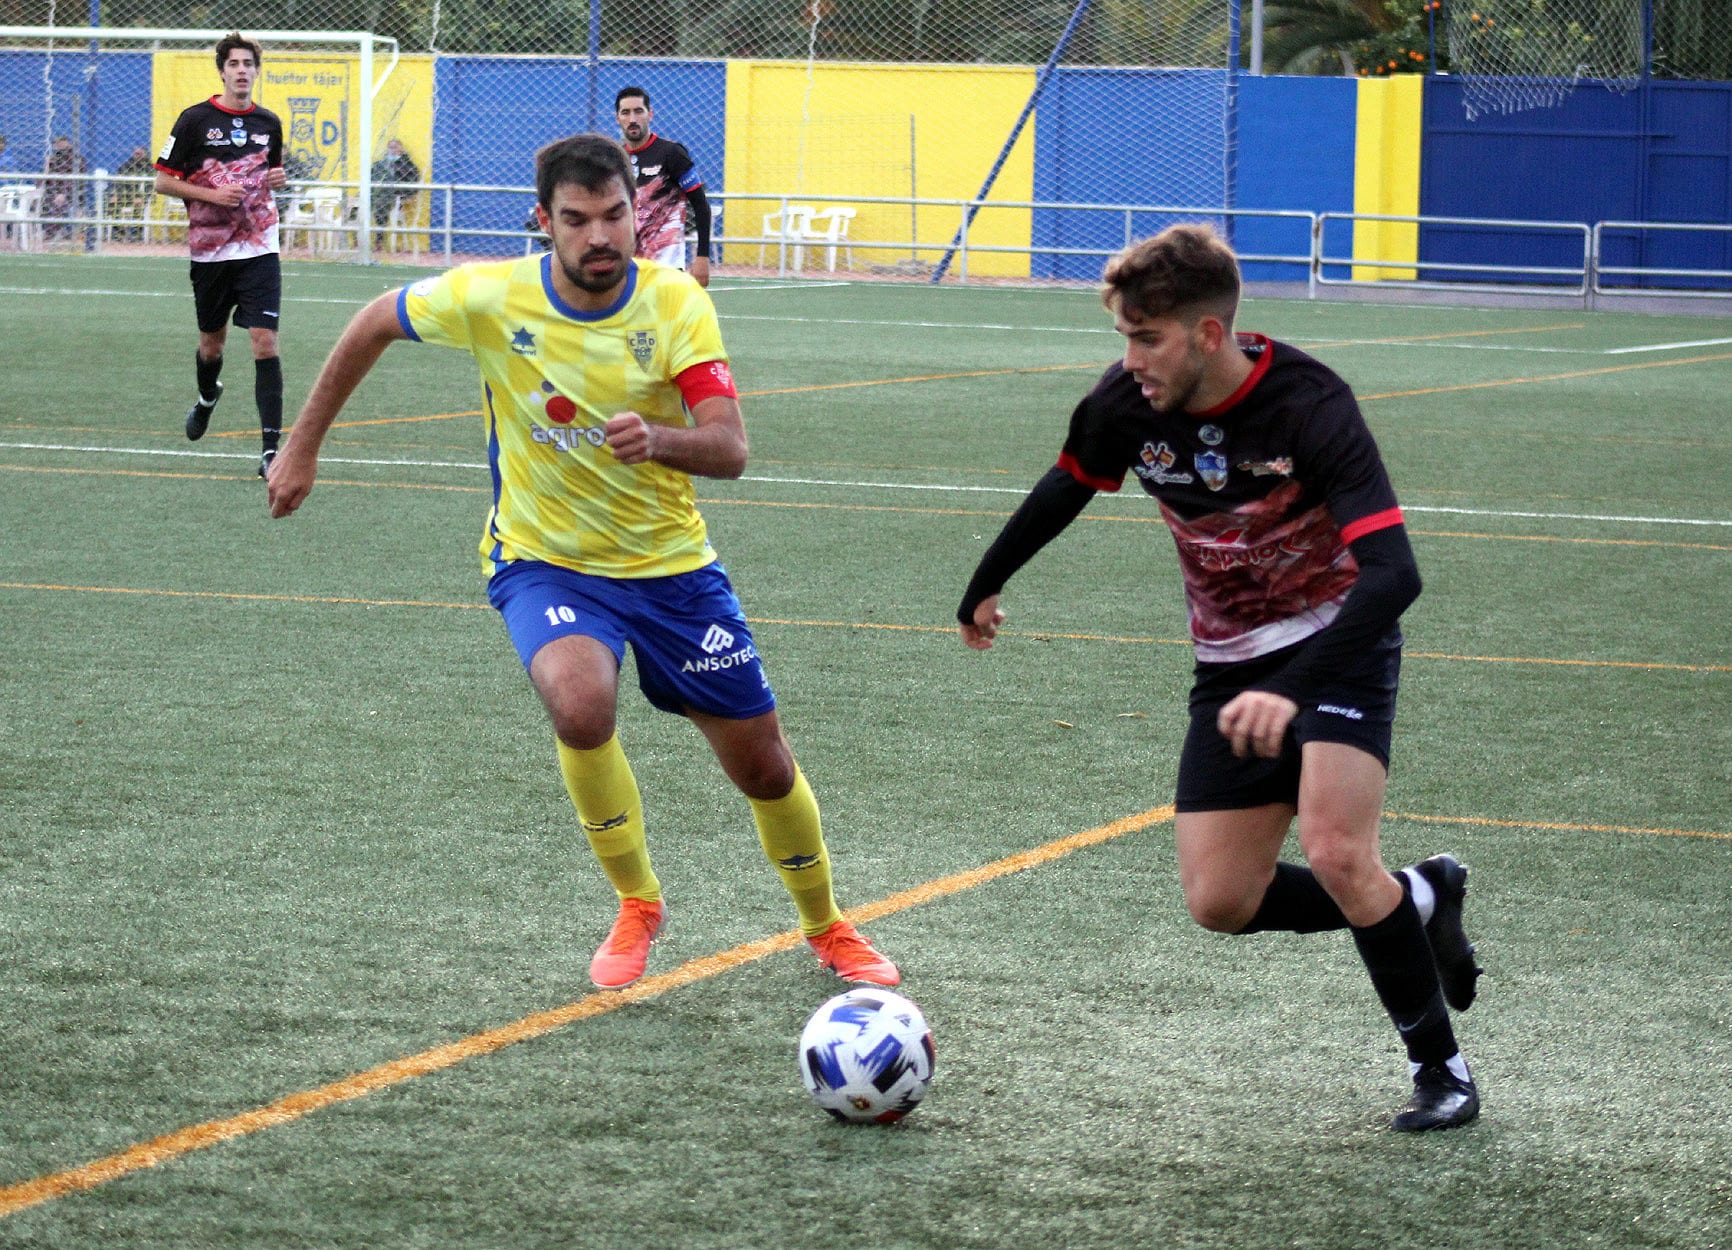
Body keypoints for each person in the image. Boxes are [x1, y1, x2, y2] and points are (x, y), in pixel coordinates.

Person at [267, 133, 899, 994]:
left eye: (615, 216)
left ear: (639, 214)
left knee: (762, 765)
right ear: (544, 222)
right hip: (546, 561)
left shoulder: (676, 302)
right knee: (579, 700)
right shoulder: (493, 296)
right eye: (577, 220)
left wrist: (663, 439)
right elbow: (377, 318)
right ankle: (638, 901)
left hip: (672, 567)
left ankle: (825, 923)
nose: (600, 237)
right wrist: (301, 449)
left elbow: (730, 449)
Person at [956, 224, 1484, 1133]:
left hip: (1340, 640)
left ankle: (1443, 1070)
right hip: (1229, 664)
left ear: (1207, 333)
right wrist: (986, 580)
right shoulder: (1128, 401)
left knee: (1336, 850)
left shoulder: (1311, 403)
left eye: (1147, 338)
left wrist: (1296, 684)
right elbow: (1068, 482)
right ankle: (1421, 896)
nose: (1131, 360)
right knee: (1220, 901)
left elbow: (1396, 574)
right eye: (1123, 337)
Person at [152, 32, 287, 479]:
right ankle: (208, 397)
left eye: (249, 63)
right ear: (222, 70)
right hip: (211, 254)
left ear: (256, 70)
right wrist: (209, 191)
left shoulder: (269, 122)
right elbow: (164, 182)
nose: (242, 70)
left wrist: (277, 183)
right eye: (234, 63)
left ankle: (271, 452)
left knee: (265, 341)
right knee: (212, 345)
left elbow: (270, 176)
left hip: (260, 247)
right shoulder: (194, 120)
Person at [614, 86, 711, 287]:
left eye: (638, 111)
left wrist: (702, 257)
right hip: (626, 269)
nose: (632, 119)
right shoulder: (614, 158)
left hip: (666, 270)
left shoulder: (672, 153)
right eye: (626, 112)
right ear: (618, 118)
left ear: (650, 115)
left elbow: (701, 205)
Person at [368, 137, 421, 242]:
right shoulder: (379, 165)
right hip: (378, 193)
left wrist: (402, 193)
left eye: (395, 147)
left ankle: (379, 239)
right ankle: (355, 238)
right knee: (355, 202)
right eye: (390, 147)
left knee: (381, 204)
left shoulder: (408, 166)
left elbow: (413, 183)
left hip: (396, 195)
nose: (392, 150)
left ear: (401, 149)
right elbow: (370, 178)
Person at [41, 134, 86, 242]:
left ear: (67, 143)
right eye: (56, 143)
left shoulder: (76, 158)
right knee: (44, 200)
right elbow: (43, 180)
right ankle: (51, 232)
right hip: (52, 191)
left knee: (59, 202)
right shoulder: (53, 159)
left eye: (60, 143)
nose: (58, 145)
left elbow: (76, 181)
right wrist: (46, 167)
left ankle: (54, 233)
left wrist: (63, 193)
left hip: (72, 192)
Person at [111, 145, 155, 240]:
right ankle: (119, 232)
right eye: (135, 154)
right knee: (112, 203)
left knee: (139, 205)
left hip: (143, 197)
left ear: (145, 154)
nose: (137, 156)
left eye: (139, 154)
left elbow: (150, 187)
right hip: (127, 195)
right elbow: (119, 183)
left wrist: (142, 197)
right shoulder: (127, 166)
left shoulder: (149, 167)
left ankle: (137, 233)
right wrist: (115, 195)